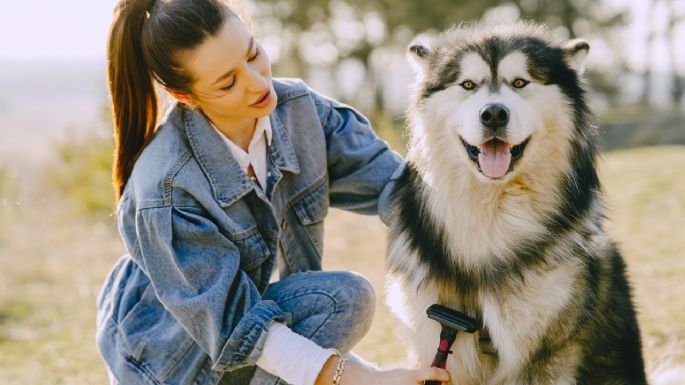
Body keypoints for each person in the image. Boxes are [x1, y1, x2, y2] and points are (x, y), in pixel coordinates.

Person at [96, 0, 452, 384]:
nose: (258, 83)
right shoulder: (165, 189)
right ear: (185, 96)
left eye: (254, 54)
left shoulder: (300, 113)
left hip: (242, 337)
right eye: (228, 82)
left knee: (342, 299)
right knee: (339, 302)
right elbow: (237, 328)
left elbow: (401, 190)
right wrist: (366, 379)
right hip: (167, 364)